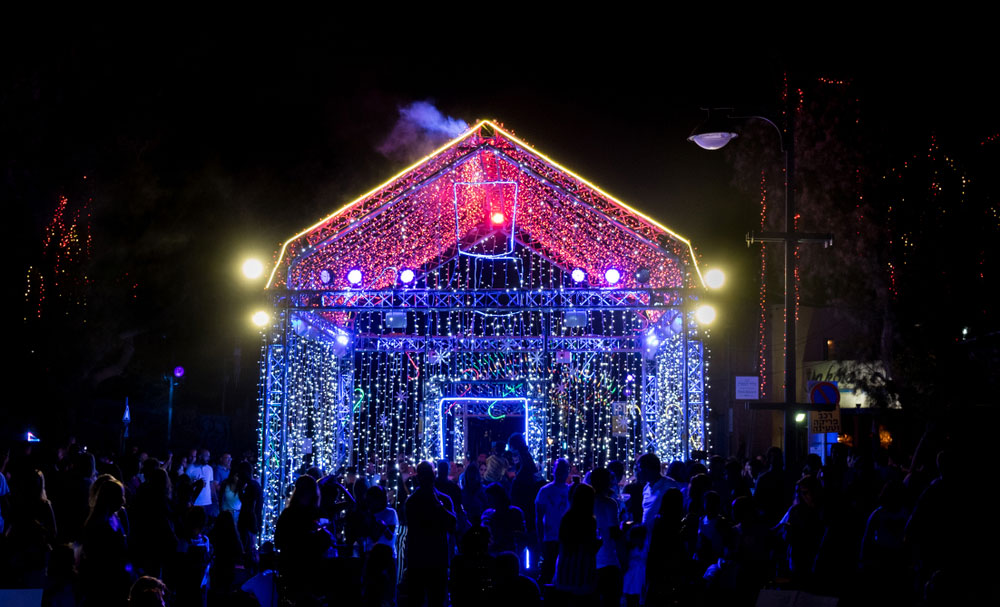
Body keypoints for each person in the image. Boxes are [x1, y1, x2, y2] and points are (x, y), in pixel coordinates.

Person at [404, 461, 456, 607]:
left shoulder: (414, 501)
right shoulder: (414, 501)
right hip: (427, 559)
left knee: (430, 600)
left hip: (428, 559)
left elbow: (452, 525)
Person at [554, 482, 600, 600]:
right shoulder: (589, 521)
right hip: (582, 569)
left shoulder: (567, 517)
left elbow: (562, 540)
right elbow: (590, 546)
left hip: (565, 567)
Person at [534, 458, 570, 584]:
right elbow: (539, 517)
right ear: (554, 471)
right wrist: (540, 538)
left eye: (564, 470)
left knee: (563, 571)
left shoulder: (570, 490)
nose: (561, 473)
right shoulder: (545, 491)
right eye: (559, 470)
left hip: (566, 538)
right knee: (549, 570)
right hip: (550, 538)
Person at [185, 449, 214, 513]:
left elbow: (211, 485)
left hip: (208, 502)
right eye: (207, 456)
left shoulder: (210, 468)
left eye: (209, 456)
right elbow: (186, 486)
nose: (208, 458)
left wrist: (214, 499)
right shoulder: (190, 468)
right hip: (195, 502)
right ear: (200, 456)